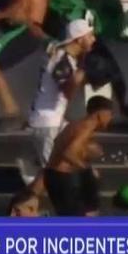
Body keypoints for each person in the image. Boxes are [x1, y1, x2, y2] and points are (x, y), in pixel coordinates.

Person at [43, 0, 128, 113]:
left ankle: (125, 110)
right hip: (70, 37)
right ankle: (58, 110)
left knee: (113, 73)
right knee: (66, 76)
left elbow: (112, 4)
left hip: (90, 37)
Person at [22, 19, 96, 187]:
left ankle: (33, 173)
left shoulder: (66, 57)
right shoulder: (62, 60)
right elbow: (66, 89)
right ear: (79, 38)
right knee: (54, 177)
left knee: (84, 147)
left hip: (55, 122)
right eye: (90, 36)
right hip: (47, 123)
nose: (94, 39)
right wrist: (80, 76)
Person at [44, 96, 114, 216]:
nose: (111, 118)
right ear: (100, 113)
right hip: (62, 178)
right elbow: (68, 152)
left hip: (54, 176)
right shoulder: (87, 126)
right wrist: (87, 169)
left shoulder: (77, 125)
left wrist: (86, 151)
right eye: (110, 114)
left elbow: (58, 142)